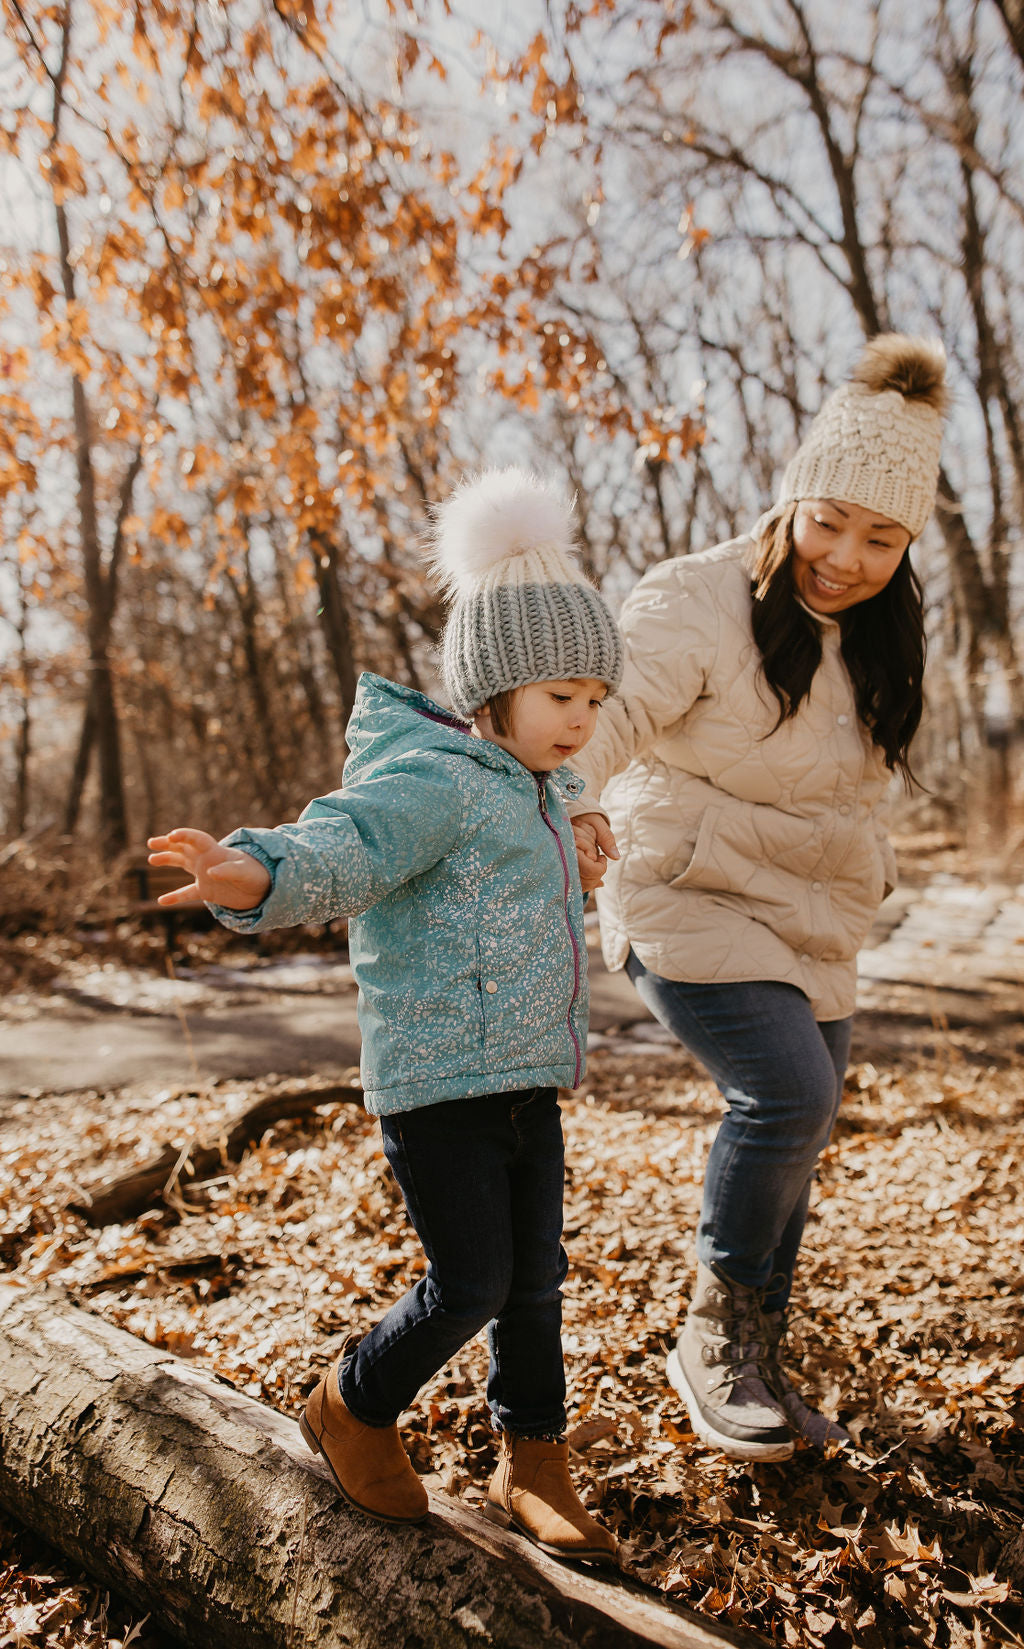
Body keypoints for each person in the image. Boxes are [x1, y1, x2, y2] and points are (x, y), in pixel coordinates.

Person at [147, 467, 623, 1563]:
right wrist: (257, 870)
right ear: (493, 690)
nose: (583, 719)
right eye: (563, 696)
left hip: (527, 1076)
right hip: (438, 1081)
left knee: (536, 1282)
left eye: (596, 700)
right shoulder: (436, 780)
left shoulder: (537, 785)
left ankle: (533, 1458)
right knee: (473, 1282)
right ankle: (353, 1400)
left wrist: (582, 836)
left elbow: (543, 838)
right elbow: (348, 843)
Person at [570, 335, 949, 1463]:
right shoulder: (696, 597)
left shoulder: (882, 630)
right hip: (685, 888)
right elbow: (609, 713)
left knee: (806, 1119)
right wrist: (568, 800)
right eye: (829, 521)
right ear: (792, 497)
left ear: (908, 544)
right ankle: (710, 1339)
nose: (845, 557)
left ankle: (759, 1359)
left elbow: (855, 787)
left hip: (812, 917)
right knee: (786, 1093)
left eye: (881, 538)